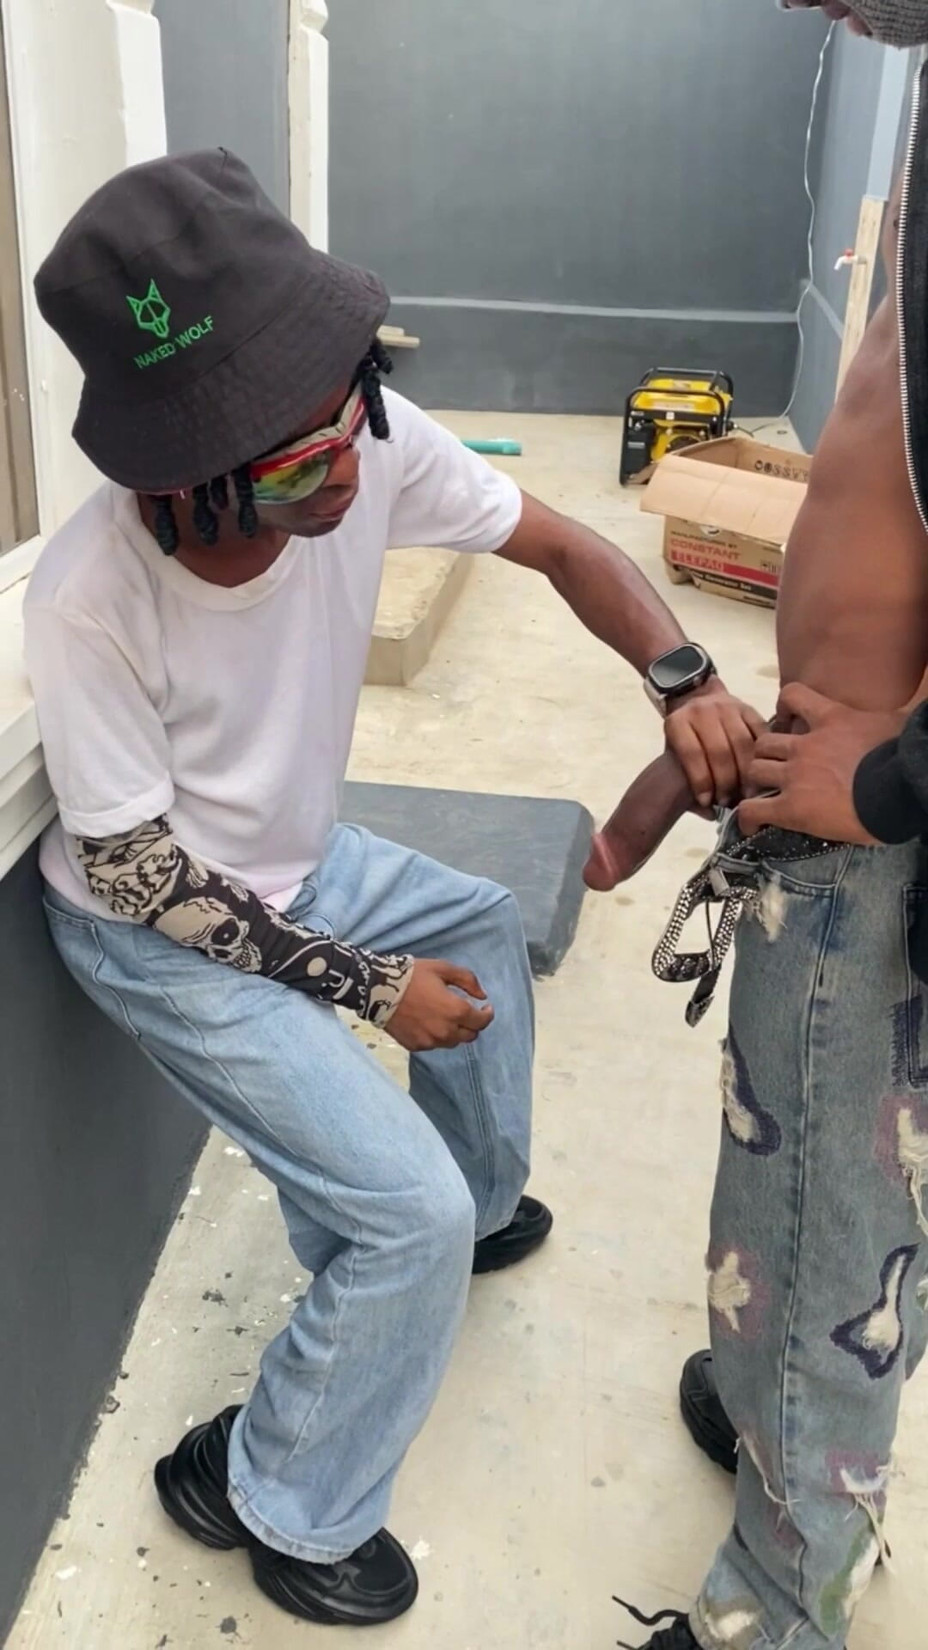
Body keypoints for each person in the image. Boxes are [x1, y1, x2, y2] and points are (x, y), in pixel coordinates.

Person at [25, 151, 760, 1629]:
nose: (349, 472)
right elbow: (138, 871)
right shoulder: (90, 593)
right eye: (297, 467)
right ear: (174, 485)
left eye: (353, 411)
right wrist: (370, 990)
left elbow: (561, 544)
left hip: (296, 856)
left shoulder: (353, 437)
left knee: (481, 925)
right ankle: (271, 1487)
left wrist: (684, 677)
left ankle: (472, 1212)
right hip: (158, 930)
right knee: (395, 1211)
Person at [603, 5, 928, 1649]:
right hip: (840, 812)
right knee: (785, 1164)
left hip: (884, 840)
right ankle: (765, 1395)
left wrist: (898, 779)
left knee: (827, 1231)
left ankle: (787, 1600)